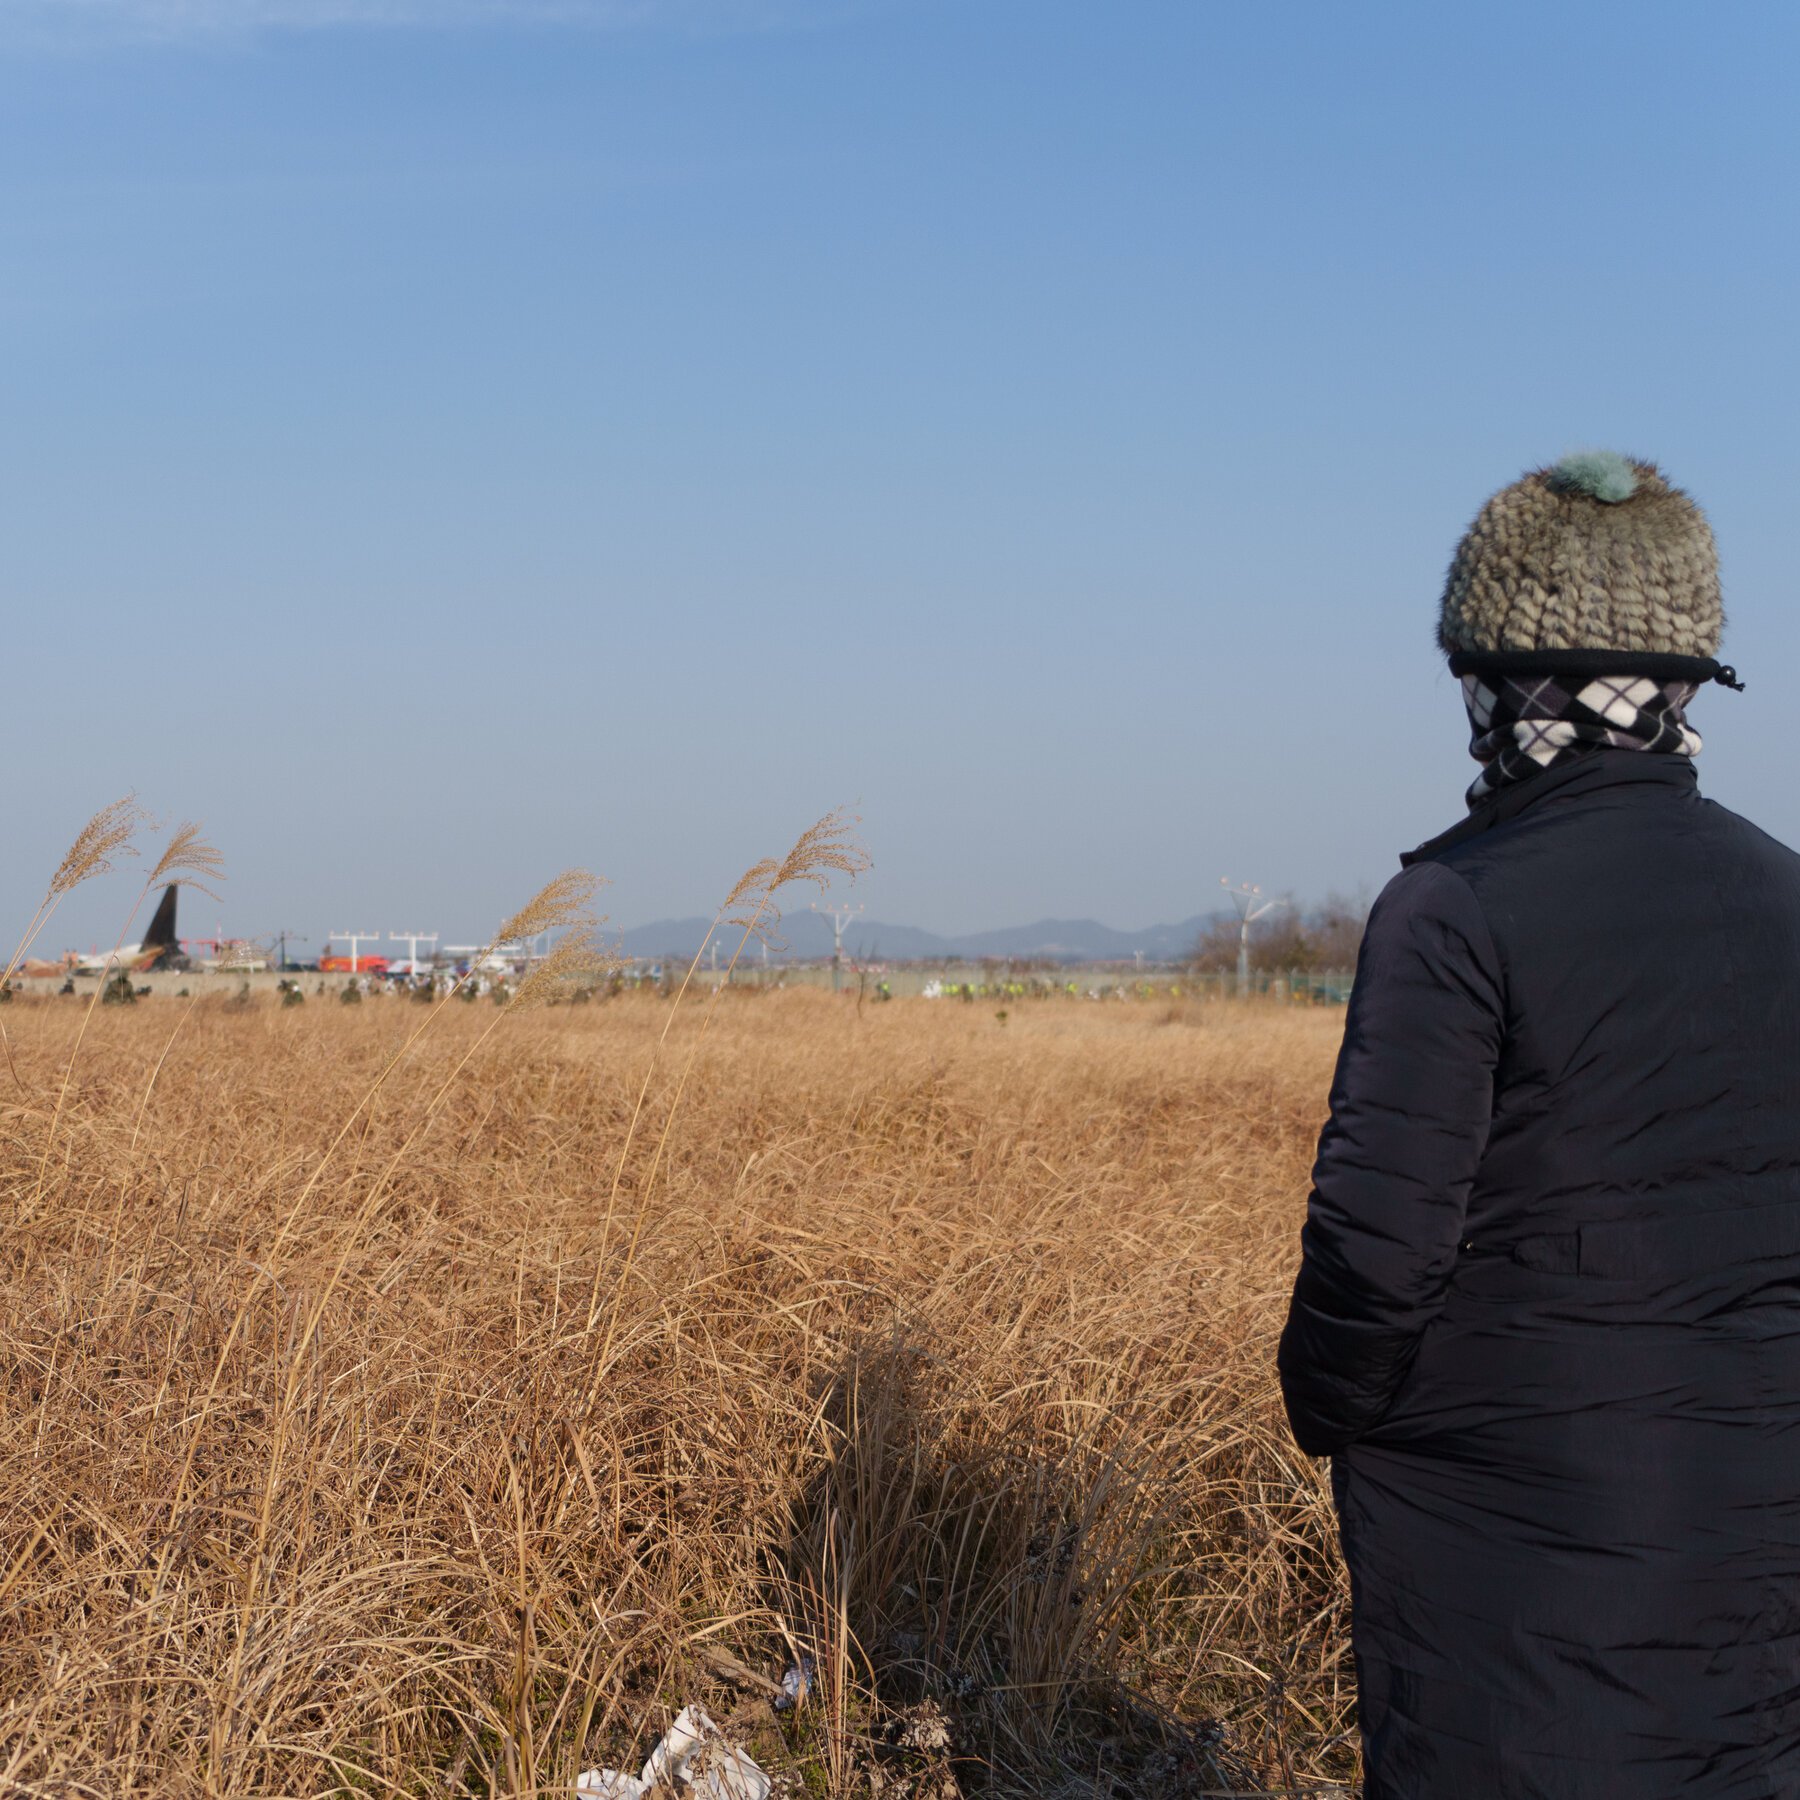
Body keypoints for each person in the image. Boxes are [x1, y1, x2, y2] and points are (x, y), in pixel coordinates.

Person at [1278, 451, 1800, 1799]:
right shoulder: (1785, 895)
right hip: (1754, 1525)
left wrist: (1333, 1412)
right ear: (1686, 684)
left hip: (1504, 1546)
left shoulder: (1452, 908)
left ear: (1490, 676)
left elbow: (1376, 1253)